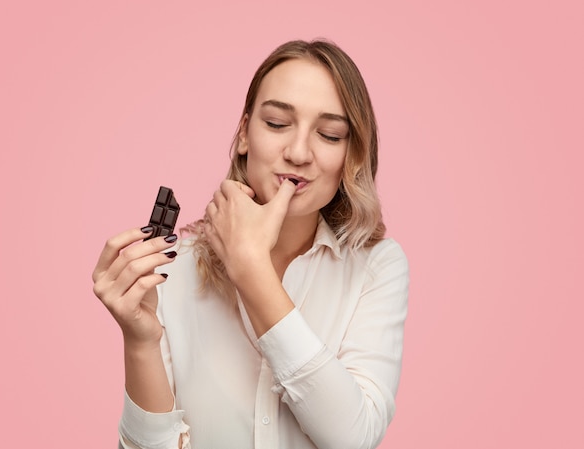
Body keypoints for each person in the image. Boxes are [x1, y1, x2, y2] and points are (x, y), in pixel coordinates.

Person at [92, 39, 409, 449]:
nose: (298, 152)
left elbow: (353, 438)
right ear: (244, 134)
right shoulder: (171, 268)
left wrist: (251, 269)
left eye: (330, 135)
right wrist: (140, 341)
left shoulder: (376, 267)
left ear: (352, 155)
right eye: (277, 124)